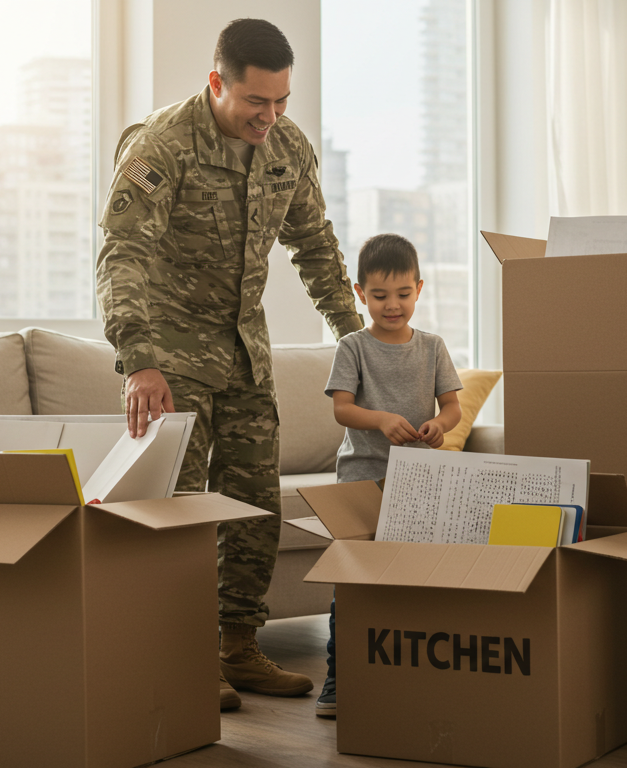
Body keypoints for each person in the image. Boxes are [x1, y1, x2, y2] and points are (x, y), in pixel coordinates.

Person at [95, 18, 364, 711]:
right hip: (170, 360)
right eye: (256, 103)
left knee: (252, 505)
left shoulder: (287, 147)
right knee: (180, 517)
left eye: (281, 102)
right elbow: (122, 255)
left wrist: (354, 334)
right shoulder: (161, 146)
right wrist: (138, 360)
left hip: (247, 352)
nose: (269, 118)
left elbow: (315, 243)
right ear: (218, 83)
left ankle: (237, 648)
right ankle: (184, 657)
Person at [318, 233, 463, 717]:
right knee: (353, 580)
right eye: (380, 296)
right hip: (360, 479)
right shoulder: (352, 347)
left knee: (413, 578)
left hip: (418, 482)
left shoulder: (433, 347)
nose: (393, 305)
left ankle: (406, 673)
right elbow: (342, 410)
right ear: (361, 294)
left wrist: (440, 427)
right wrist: (379, 418)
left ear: (419, 289)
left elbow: (453, 408)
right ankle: (338, 677)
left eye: (403, 294)